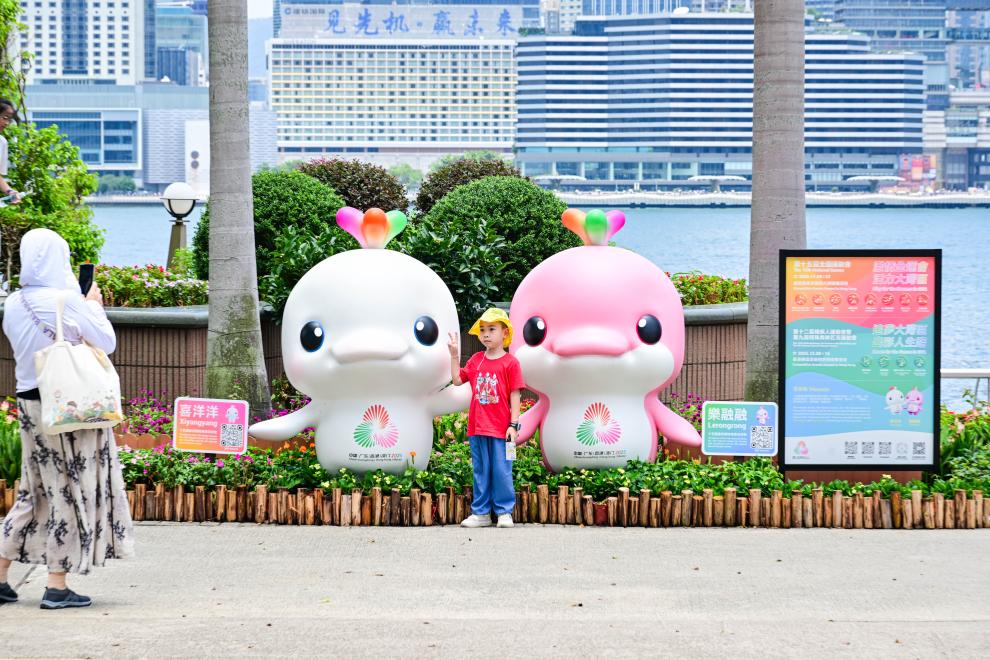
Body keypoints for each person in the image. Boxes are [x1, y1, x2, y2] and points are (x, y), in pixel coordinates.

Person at [0, 228, 134, 609]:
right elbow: (107, 342)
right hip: (69, 408)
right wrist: (92, 305)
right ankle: (56, 585)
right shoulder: (67, 300)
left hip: (30, 406)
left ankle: (0, 576)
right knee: (71, 490)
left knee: (33, 492)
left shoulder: (14, 303)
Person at [448, 308, 524, 529]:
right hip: (477, 427)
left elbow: (515, 395)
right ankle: (480, 513)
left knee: (502, 470)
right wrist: (454, 355)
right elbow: (457, 380)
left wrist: (513, 425)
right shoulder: (475, 360)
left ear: (505, 333)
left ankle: (504, 512)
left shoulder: (511, 363)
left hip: (502, 430)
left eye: (492, 329)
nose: (486, 334)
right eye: (482, 330)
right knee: (481, 471)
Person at [0, 98, 22, 204]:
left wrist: (10, 192)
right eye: (4, 118)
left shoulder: (2, 143)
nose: (6, 123)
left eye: (9, 119)